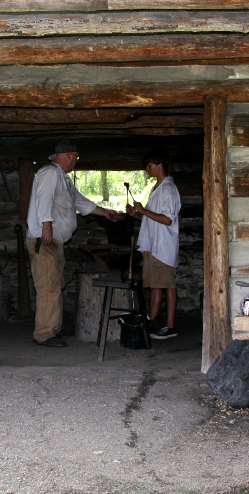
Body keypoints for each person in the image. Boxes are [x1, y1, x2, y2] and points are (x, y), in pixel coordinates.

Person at [26, 139, 123, 347]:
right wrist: (46, 226)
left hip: (55, 241)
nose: (75, 162)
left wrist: (105, 213)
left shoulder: (64, 179)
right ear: (70, 156)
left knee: (55, 285)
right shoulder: (49, 173)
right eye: (76, 158)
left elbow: (81, 202)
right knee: (47, 287)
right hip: (43, 240)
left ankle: (53, 328)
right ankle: (43, 334)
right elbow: (43, 199)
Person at [126, 148, 181, 340]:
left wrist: (144, 210)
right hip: (154, 247)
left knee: (168, 285)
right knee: (156, 286)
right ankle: (153, 321)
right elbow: (153, 220)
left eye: (149, 166)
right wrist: (138, 214)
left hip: (164, 247)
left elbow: (167, 220)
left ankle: (170, 326)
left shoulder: (167, 188)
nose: (147, 169)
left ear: (160, 165)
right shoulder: (158, 188)